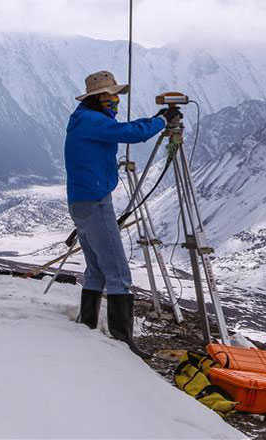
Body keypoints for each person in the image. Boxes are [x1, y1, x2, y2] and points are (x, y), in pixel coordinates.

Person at [64, 70, 168, 359]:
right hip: (95, 201)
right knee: (119, 271)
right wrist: (160, 122)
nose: (116, 101)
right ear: (98, 98)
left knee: (96, 268)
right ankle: (123, 342)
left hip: (82, 200)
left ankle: (86, 323)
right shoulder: (93, 122)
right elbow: (130, 133)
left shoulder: (83, 119)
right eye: (112, 96)